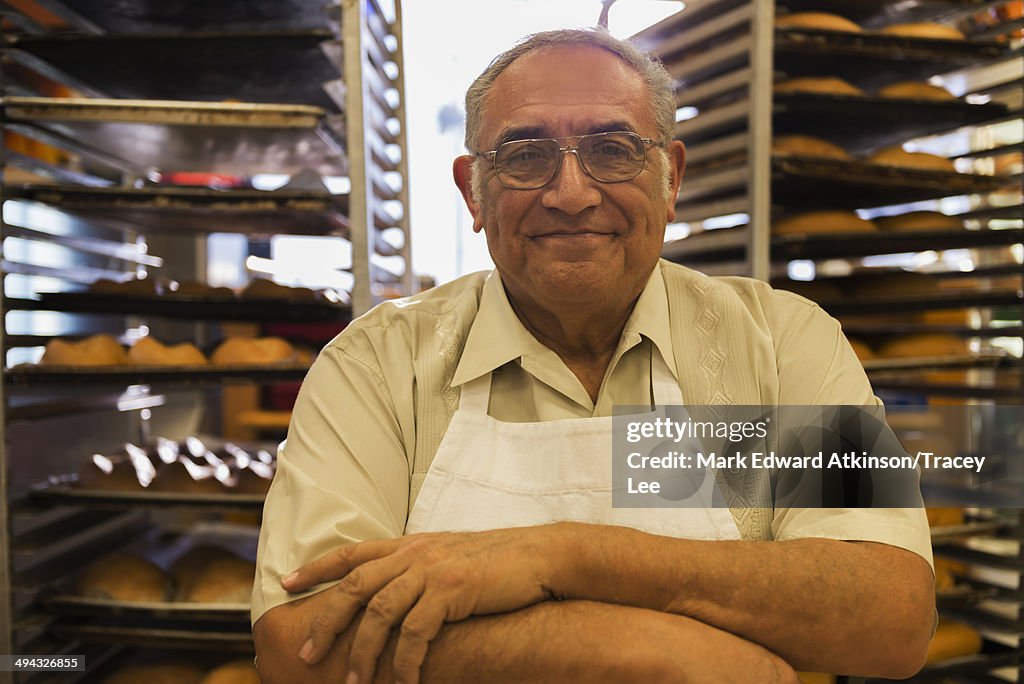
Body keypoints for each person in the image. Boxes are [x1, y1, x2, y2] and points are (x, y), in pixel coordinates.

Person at [252, 28, 935, 683]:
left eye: (613, 150)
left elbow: (891, 614)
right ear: (473, 192)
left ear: (670, 177)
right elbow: (299, 642)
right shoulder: (377, 366)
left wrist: (561, 557)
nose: (571, 195)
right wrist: (648, 656)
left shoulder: (781, 344)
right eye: (525, 156)